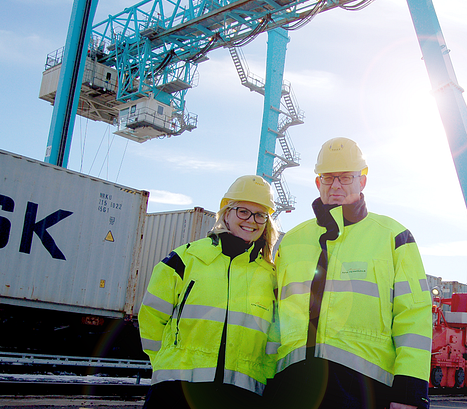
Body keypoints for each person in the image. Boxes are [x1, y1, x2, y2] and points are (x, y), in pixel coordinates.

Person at [266, 137, 432, 409]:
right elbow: (275, 317)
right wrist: (267, 380)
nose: (336, 186)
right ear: (318, 183)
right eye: (328, 178)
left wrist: (410, 390)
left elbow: (414, 318)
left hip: (364, 388)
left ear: (362, 181)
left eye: (345, 178)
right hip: (293, 383)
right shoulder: (292, 241)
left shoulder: (394, 237)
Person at [138, 175, 279, 409]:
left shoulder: (270, 277)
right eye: (243, 211)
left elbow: (274, 340)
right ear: (226, 213)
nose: (251, 221)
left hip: (240, 395)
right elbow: (151, 318)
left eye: (260, 215)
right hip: (176, 391)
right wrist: (166, 364)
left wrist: (262, 379)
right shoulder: (185, 259)